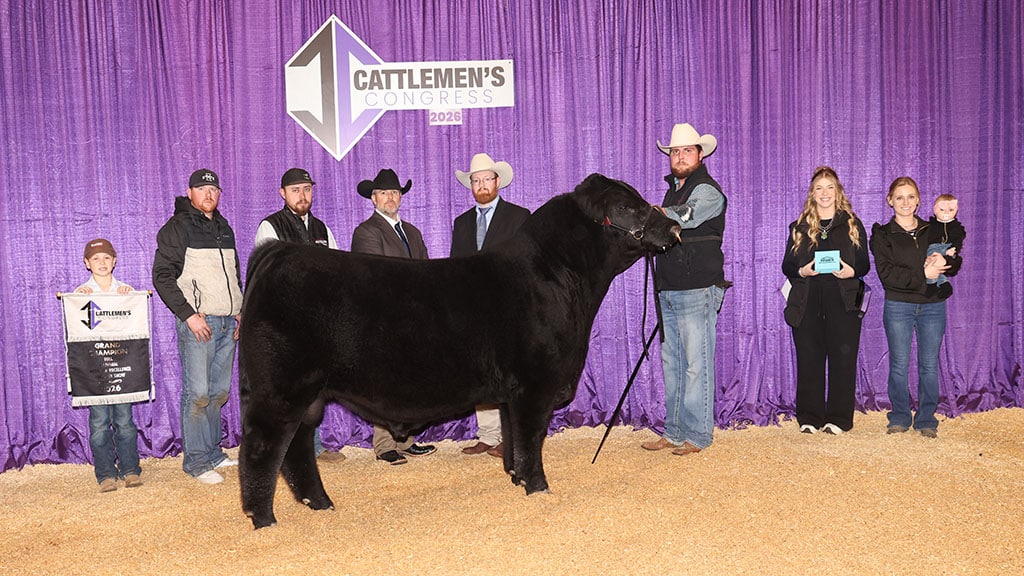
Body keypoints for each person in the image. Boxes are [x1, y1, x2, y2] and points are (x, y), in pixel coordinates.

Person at [153, 168, 244, 484]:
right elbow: (162, 275)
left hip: (226, 323)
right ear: (190, 192)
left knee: (218, 392)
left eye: (215, 190)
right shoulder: (178, 227)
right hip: (199, 323)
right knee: (198, 393)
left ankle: (214, 452)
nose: (209, 194)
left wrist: (240, 309)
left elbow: (233, 273)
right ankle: (195, 462)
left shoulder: (223, 227)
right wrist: (188, 315)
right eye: (203, 189)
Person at [643, 122, 729, 456]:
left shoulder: (708, 190)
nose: (679, 157)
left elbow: (686, 216)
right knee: (674, 363)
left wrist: (654, 214)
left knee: (695, 364)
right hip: (671, 288)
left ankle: (698, 434)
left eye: (686, 151)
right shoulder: (672, 190)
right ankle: (675, 430)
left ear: (700, 154)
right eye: (675, 152)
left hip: (697, 288)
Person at [254, 167, 345, 462]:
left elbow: (337, 272)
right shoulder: (270, 227)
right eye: (295, 190)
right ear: (283, 194)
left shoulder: (322, 229)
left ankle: (312, 448)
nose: (302, 195)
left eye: (307, 189)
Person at [350, 168, 437, 465]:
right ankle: (385, 443)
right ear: (373, 198)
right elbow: (375, 276)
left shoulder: (412, 232)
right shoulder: (366, 232)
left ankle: (406, 439)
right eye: (385, 193)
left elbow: (426, 273)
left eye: (395, 192)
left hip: (415, 320)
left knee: (410, 382)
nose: (391, 197)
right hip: (384, 320)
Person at [451, 153, 531, 459]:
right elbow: (455, 268)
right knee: (480, 370)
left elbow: (526, 262)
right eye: (476, 180)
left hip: (509, 307)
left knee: (510, 372)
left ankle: (510, 437)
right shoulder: (462, 223)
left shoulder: (519, 216)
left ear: (498, 182)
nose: (482, 185)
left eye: (487, 179)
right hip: (472, 309)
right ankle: (487, 434)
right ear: (470, 185)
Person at [870, 177, 963, 438]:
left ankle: (926, 419)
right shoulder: (882, 234)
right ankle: (899, 416)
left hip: (933, 305)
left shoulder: (934, 229)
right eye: (899, 197)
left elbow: (954, 261)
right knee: (899, 363)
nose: (905, 202)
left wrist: (947, 259)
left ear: (919, 200)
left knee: (929, 364)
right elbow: (887, 274)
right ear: (890, 200)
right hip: (898, 304)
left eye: (911, 196)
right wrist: (924, 272)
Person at [781, 167, 870, 435]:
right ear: (812, 194)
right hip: (807, 300)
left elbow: (864, 263)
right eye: (819, 188)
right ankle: (809, 417)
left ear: (838, 191)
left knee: (843, 360)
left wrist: (850, 271)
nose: (825, 193)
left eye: (829, 187)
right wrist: (802, 271)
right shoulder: (800, 227)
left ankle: (839, 419)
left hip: (843, 301)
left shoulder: (852, 224)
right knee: (809, 358)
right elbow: (787, 265)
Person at [75, 238, 143, 492]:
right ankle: (105, 473)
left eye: (106, 258)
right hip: (95, 370)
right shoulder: (80, 294)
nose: (101, 263)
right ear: (86, 263)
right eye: (95, 259)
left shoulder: (125, 291)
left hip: (122, 367)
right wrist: (76, 299)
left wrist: (130, 297)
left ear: (114, 261)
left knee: (125, 421)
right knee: (99, 423)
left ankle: (130, 470)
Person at [924, 194, 965, 297]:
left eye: (951, 210)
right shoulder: (930, 225)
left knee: (935, 261)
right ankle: (944, 284)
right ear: (935, 210)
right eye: (942, 210)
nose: (946, 213)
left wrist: (953, 249)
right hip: (932, 248)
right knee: (929, 263)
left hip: (948, 248)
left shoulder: (957, 227)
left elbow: (958, 240)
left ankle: (932, 285)